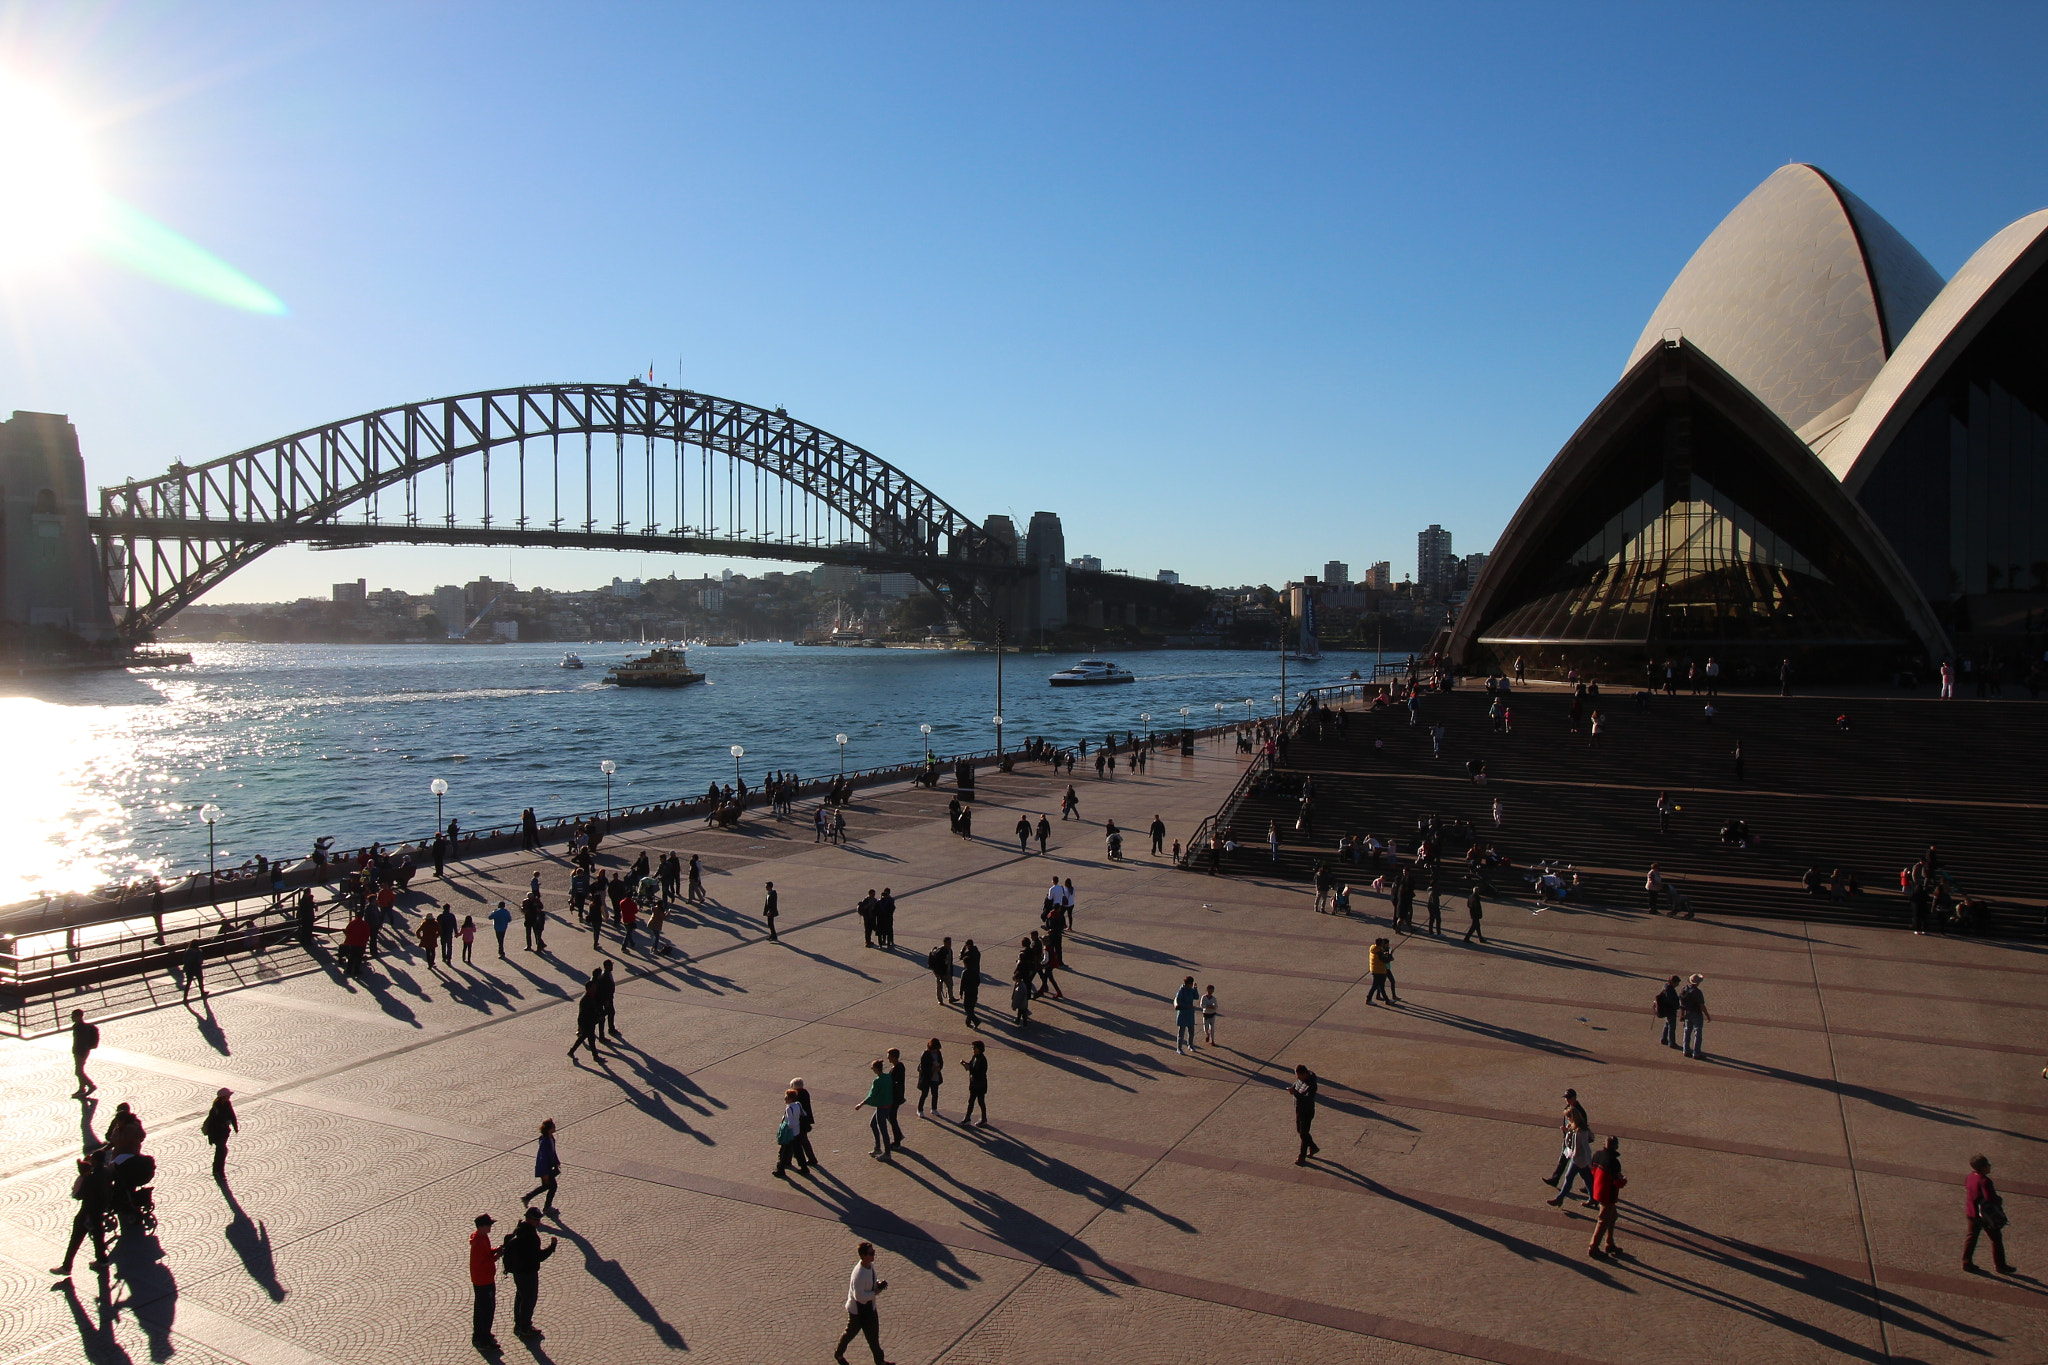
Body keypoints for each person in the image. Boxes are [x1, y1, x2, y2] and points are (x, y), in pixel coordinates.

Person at [51, 1147, 111, 1278]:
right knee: (98, 1234)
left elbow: (78, 1194)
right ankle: (102, 1260)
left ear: (94, 1160)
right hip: (100, 1209)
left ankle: (67, 1266)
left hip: (87, 1212)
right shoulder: (107, 1171)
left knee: (75, 1239)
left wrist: (83, 1175)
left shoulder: (91, 1177)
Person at [501, 1205, 558, 1340]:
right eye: (536, 1219)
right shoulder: (531, 1237)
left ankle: (519, 1325)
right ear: (530, 1219)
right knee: (529, 1300)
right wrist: (552, 1247)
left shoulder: (519, 1230)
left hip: (518, 1273)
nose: (539, 1222)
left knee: (520, 1297)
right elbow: (539, 1257)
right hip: (528, 1273)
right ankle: (525, 1328)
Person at [835, 1241, 890, 1365]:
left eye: (873, 1252)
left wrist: (878, 1284)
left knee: (873, 1337)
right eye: (871, 1253)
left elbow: (871, 1280)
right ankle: (838, 1354)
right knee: (850, 1333)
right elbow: (859, 1297)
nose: (873, 1255)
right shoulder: (858, 1275)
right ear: (863, 1256)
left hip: (869, 1307)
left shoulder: (870, 1266)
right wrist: (874, 1293)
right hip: (858, 1311)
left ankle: (880, 1361)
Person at [1964, 1154, 2016, 1274]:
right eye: (1988, 1165)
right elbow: (1990, 1198)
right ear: (1983, 1168)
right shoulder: (1985, 1181)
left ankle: (1966, 1261)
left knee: (1972, 1237)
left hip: (1971, 1212)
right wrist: (1999, 1200)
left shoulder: (1970, 1176)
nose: (1990, 1166)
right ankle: (2000, 1265)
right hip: (1985, 1216)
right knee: (1996, 1239)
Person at [1587, 1137, 1626, 1258]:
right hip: (1608, 1195)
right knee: (1603, 1221)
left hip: (1598, 1191)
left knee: (1613, 1217)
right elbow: (1618, 1182)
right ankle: (1593, 1247)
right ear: (1616, 1146)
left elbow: (1592, 1171)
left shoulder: (1598, 1155)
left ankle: (1610, 1243)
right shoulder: (1614, 1162)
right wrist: (1624, 1181)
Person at [1541, 1090, 1589, 1189]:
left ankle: (1589, 1183)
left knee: (1579, 1165)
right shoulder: (1567, 1108)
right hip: (1569, 1140)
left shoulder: (1579, 1111)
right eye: (1566, 1098)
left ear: (1574, 1098)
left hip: (1576, 1141)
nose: (1567, 1100)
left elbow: (1581, 1127)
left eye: (1569, 1098)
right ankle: (1555, 1179)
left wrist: (1568, 1131)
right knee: (1564, 1161)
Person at [469, 1213, 503, 1350]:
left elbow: (485, 1253)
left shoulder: (481, 1237)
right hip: (484, 1280)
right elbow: (482, 1263)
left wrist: (495, 1250)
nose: (491, 1227)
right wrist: (496, 1257)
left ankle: (479, 1335)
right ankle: (484, 1340)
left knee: (479, 1309)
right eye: (489, 1225)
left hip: (480, 1280)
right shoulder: (479, 1241)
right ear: (481, 1226)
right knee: (487, 1311)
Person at [856, 1060, 895, 1159]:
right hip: (888, 1105)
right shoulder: (888, 1077)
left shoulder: (877, 1081)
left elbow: (872, 1095)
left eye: (873, 1067)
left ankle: (887, 1153)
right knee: (873, 1124)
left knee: (883, 1130)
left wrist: (861, 1104)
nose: (871, 1069)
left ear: (877, 1068)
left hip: (881, 1107)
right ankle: (877, 1148)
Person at [523, 1119, 561, 1214]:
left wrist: (556, 1161)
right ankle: (547, 1207)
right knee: (552, 1186)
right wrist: (544, 1173)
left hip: (548, 1167)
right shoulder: (545, 1141)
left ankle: (528, 1197)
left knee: (546, 1186)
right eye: (553, 1126)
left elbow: (552, 1152)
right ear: (549, 1129)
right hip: (545, 1169)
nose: (555, 1127)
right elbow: (542, 1158)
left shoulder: (550, 1138)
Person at [202, 1087, 239, 1179]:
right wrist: (223, 1123)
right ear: (223, 1097)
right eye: (227, 1096)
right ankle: (219, 1171)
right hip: (217, 1134)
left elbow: (232, 1115)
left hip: (224, 1132)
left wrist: (235, 1126)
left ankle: (216, 1169)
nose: (229, 1098)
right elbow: (213, 1122)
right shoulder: (216, 1108)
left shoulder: (227, 1104)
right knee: (222, 1151)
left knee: (221, 1151)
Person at [774, 1086, 810, 1178]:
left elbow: (790, 1122)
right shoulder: (798, 1104)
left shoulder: (789, 1108)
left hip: (790, 1133)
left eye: (786, 1098)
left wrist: (784, 1127)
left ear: (790, 1099)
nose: (785, 1099)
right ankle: (804, 1168)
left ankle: (780, 1170)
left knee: (784, 1152)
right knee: (798, 1151)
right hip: (797, 1132)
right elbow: (804, 1114)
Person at [567, 971, 604, 1060]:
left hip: (587, 1021)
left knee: (584, 1037)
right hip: (586, 1022)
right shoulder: (587, 999)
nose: (595, 987)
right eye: (594, 987)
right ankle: (595, 1056)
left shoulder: (590, 996)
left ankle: (572, 1051)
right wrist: (597, 1017)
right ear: (589, 988)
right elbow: (587, 1012)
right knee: (590, 1039)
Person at [1290, 1063, 1320, 1166]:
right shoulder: (1301, 1079)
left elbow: (1307, 1099)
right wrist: (1293, 1088)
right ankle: (1313, 1147)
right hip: (1299, 1109)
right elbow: (1296, 1084)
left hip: (1307, 1111)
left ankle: (1301, 1157)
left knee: (1303, 1133)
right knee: (1301, 1131)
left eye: (1299, 1076)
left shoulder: (1311, 1085)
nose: (1298, 1078)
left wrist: (1295, 1093)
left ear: (1305, 1074)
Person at [1679, 973, 1710, 1058]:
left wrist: (1682, 1014)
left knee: (1687, 1031)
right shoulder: (1698, 992)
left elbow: (1681, 1004)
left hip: (1687, 1013)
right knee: (1698, 1033)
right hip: (1696, 1013)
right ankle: (1696, 1053)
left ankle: (1686, 1050)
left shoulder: (1684, 989)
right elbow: (1702, 1005)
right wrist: (1707, 1015)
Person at [69, 1009, 98, 1097]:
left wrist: (80, 1052)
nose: (72, 1018)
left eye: (73, 1016)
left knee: (78, 1072)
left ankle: (91, 1085)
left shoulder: (81, 1028)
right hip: (79, 1051)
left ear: (79, 1017)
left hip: (81, 1052)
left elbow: (82, 1042)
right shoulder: (77, 1026)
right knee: (79, 1071)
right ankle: (82, 1089)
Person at [960, 1039, 989, 1125]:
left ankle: (983, 1119)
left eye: (974, 1048)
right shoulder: (975, 1057)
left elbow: (978, 1072)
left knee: (980, 1101)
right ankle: (968, 1118)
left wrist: (969, 1067)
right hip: (974, 1084)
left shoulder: (982, 1059)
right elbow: (971, 1065)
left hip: (980, 1084)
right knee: (971, 1101)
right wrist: (965, 1064)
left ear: (979, 1049)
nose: (973, 1050)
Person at [916, 1038, 945, 1117]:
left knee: (935, 1093)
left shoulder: (938, 1053)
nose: (935, 1051)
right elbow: (923, 1067)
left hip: (935, 1076)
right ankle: (920, 1109)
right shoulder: (925, 1054)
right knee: (924, 1094)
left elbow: (941, 1062)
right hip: (926, 1077)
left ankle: (934, 1109)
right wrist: (932, 1068)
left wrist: (939, 1067)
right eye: (934, 1049)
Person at [885, 1048, 908, 1148]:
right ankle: (898, 1136)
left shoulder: (896, 1069)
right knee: (891, 1117)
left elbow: (893, 1082)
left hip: (894, 1098)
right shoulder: (900, 1066)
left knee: (892, 1117)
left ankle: (897, 1140)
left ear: (893, 1057)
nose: (887, 1058)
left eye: (889, 1055)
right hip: (897, 1096)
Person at [1173, 975, 1199, 1054]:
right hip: (1183, 1013)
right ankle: (1179, 1048)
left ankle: (1190, 1045)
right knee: (1181, 1032)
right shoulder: (1181, 991)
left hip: (1190, 1013)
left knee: (1191, 1031)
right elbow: (1179, 1002)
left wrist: (1195, 989)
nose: (1191, 985)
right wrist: (1187, 1006)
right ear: (1187, 983)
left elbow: (1196, 997)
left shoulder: (1191, 990)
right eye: (1191, 984)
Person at [1654, 975, 1682, 1048]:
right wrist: (1678, 1006)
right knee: (1672, 1026)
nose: (1677, 985)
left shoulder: (1666, 986)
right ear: (1673, 982)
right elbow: (1672, 1001)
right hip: (1671, 1010)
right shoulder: (1670, 990)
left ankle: (1664, 1039)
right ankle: (1672, 1042)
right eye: (1677, 983)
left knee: (1667, 1024)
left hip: (1667, 1009)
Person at [960, 938, 982, 1028]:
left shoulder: (965, 972)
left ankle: (976, 1021)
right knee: (971, 1006)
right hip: (974, 988)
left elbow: (962, 983)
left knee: (966, 1007)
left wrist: (963, 950)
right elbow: (978, 981)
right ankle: (968, 1022)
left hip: (968, 991)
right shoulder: (978, 952)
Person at [929, 936, 955, 1003]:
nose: (950, 944)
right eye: (949, 942)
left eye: (950, 942)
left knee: (950, 985)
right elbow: (938, 964)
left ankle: (951, 998)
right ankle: (940, 1000)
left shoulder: (950, 950)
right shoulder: (940, 951)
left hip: (947, 971)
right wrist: (939, 973)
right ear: (945, 943)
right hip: (940, 973)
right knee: (939, 987)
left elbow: (950, 962)